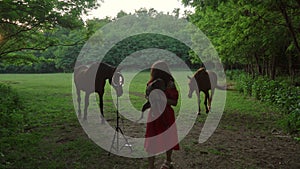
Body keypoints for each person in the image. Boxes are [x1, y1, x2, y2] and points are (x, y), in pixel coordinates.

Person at [144, 60, 180, 169]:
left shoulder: (170, 84)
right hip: (154, 114)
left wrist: (161, 99)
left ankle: (168, 161)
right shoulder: (151, 83)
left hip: (166, 114)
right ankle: (151, 166)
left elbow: (174, 102)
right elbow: (147, 97)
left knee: (168, 138)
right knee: (152, 140)